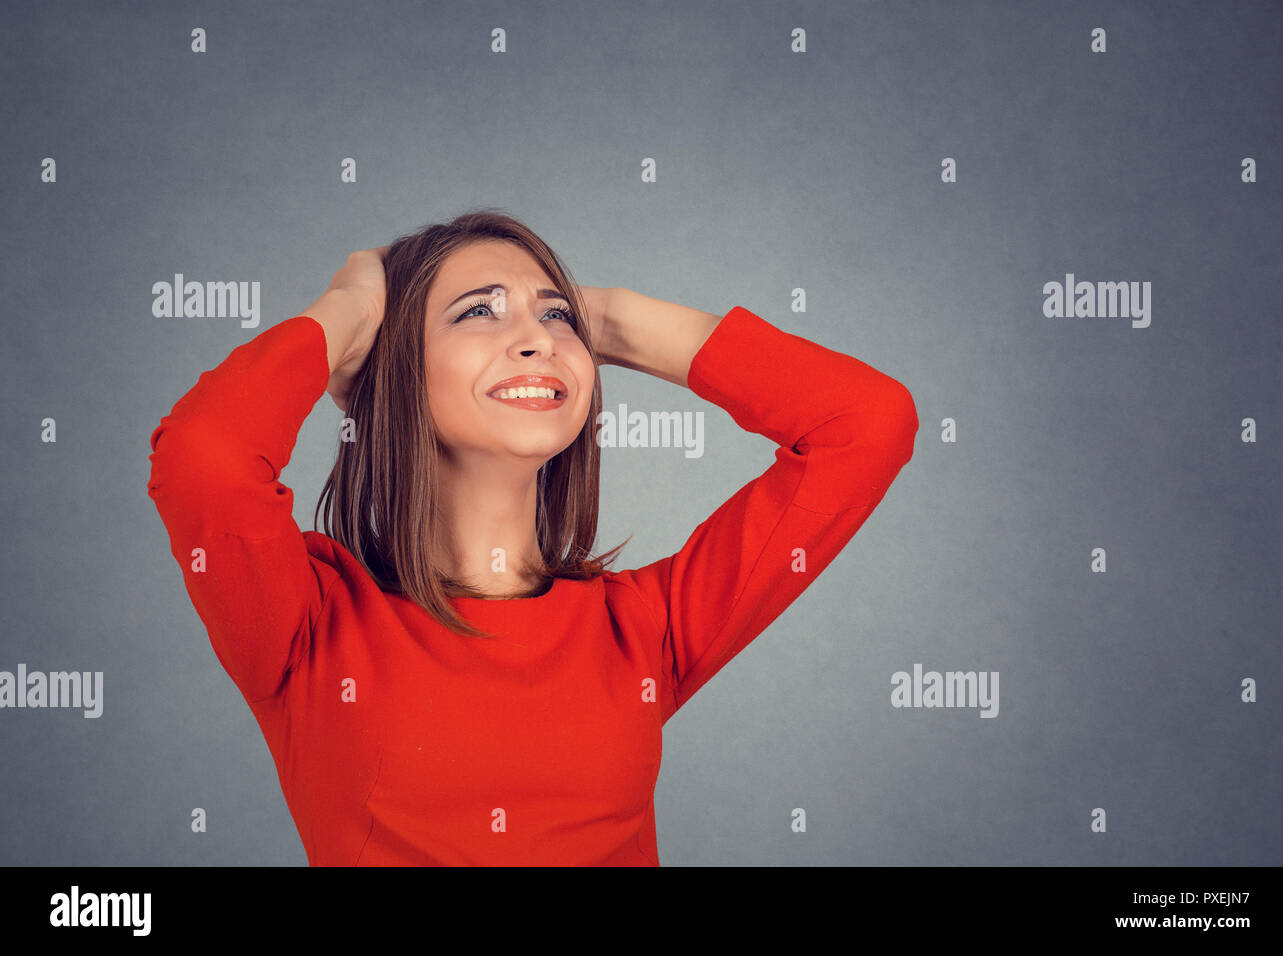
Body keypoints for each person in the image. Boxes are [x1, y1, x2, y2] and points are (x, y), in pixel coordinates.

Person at [146, 208, 919, 865]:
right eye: (477, 311)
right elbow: (202, 460)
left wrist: (608, 319)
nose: (538, 339)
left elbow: (867, 425)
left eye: (556, 316)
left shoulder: (644, 631)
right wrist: (348, 308)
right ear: (389, 369)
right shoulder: (309, 624)